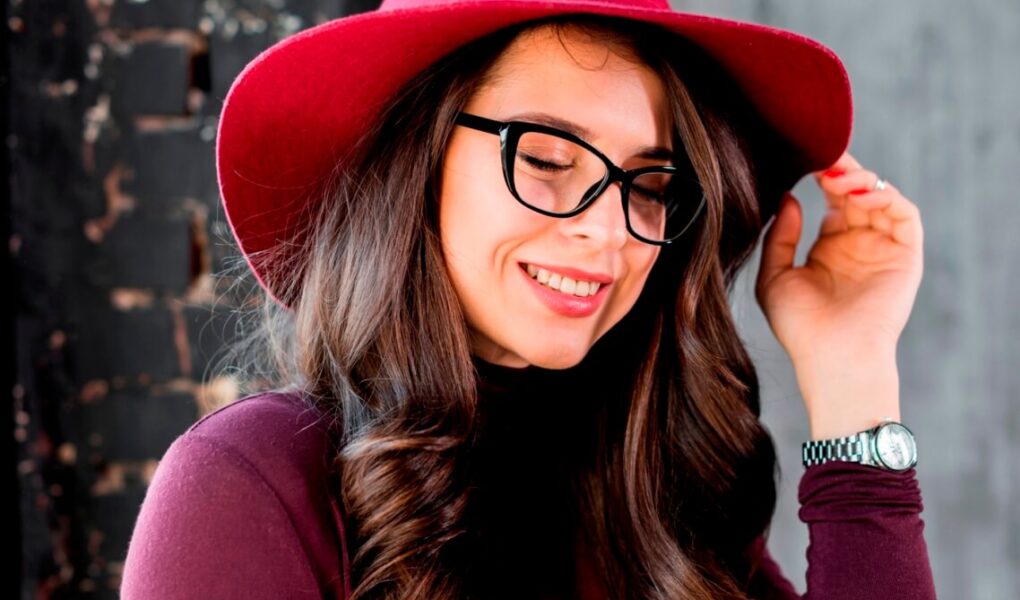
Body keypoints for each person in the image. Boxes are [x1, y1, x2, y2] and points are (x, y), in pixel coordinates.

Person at [120, 0, 937, 598]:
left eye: (648, 184)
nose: (607, 229)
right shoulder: (250, 488)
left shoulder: (659, 491)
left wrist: (852, 372)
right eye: (546, 160)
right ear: (418, 165)